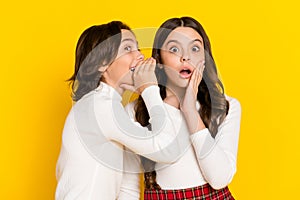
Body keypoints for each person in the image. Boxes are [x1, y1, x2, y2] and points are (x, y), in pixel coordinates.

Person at [55, 21, 183, 200]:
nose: (139, 55)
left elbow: (127, 186)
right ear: (102, 64)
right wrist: (150, 90)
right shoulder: (99, 106)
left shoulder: (112, 108)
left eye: (138, 47)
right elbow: (168, 151)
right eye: (128, 48)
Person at [124, 17, 242, 199]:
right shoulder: (136, 111)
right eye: (174, 49)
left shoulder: (225, 106)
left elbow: (219, 179)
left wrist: (190, 111)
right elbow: (129, 187)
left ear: (205, 57)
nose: (185, 57)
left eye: (195, 48)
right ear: (159, 59)